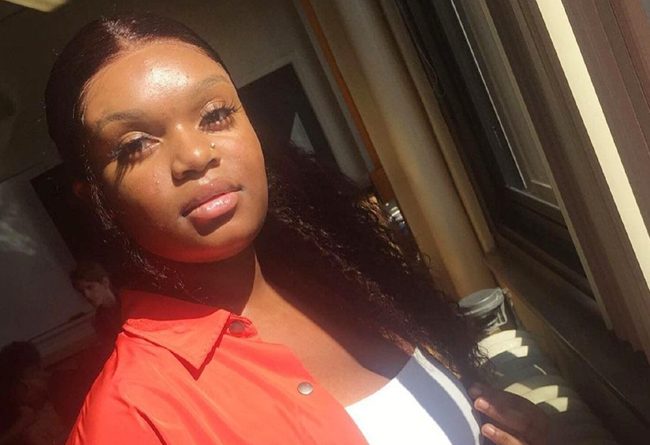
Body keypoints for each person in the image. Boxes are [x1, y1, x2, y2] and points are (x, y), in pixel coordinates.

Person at [44, 13, 548, 445]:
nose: (196, 155)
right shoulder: (129, 418)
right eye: (135, 145)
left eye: (215, 114)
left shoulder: (341, 274)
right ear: (95, 200)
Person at [0, 342, 67, 445]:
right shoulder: (24, 424)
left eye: (38, 370)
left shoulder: (63, 392)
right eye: (34, 374)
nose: (43, 376)